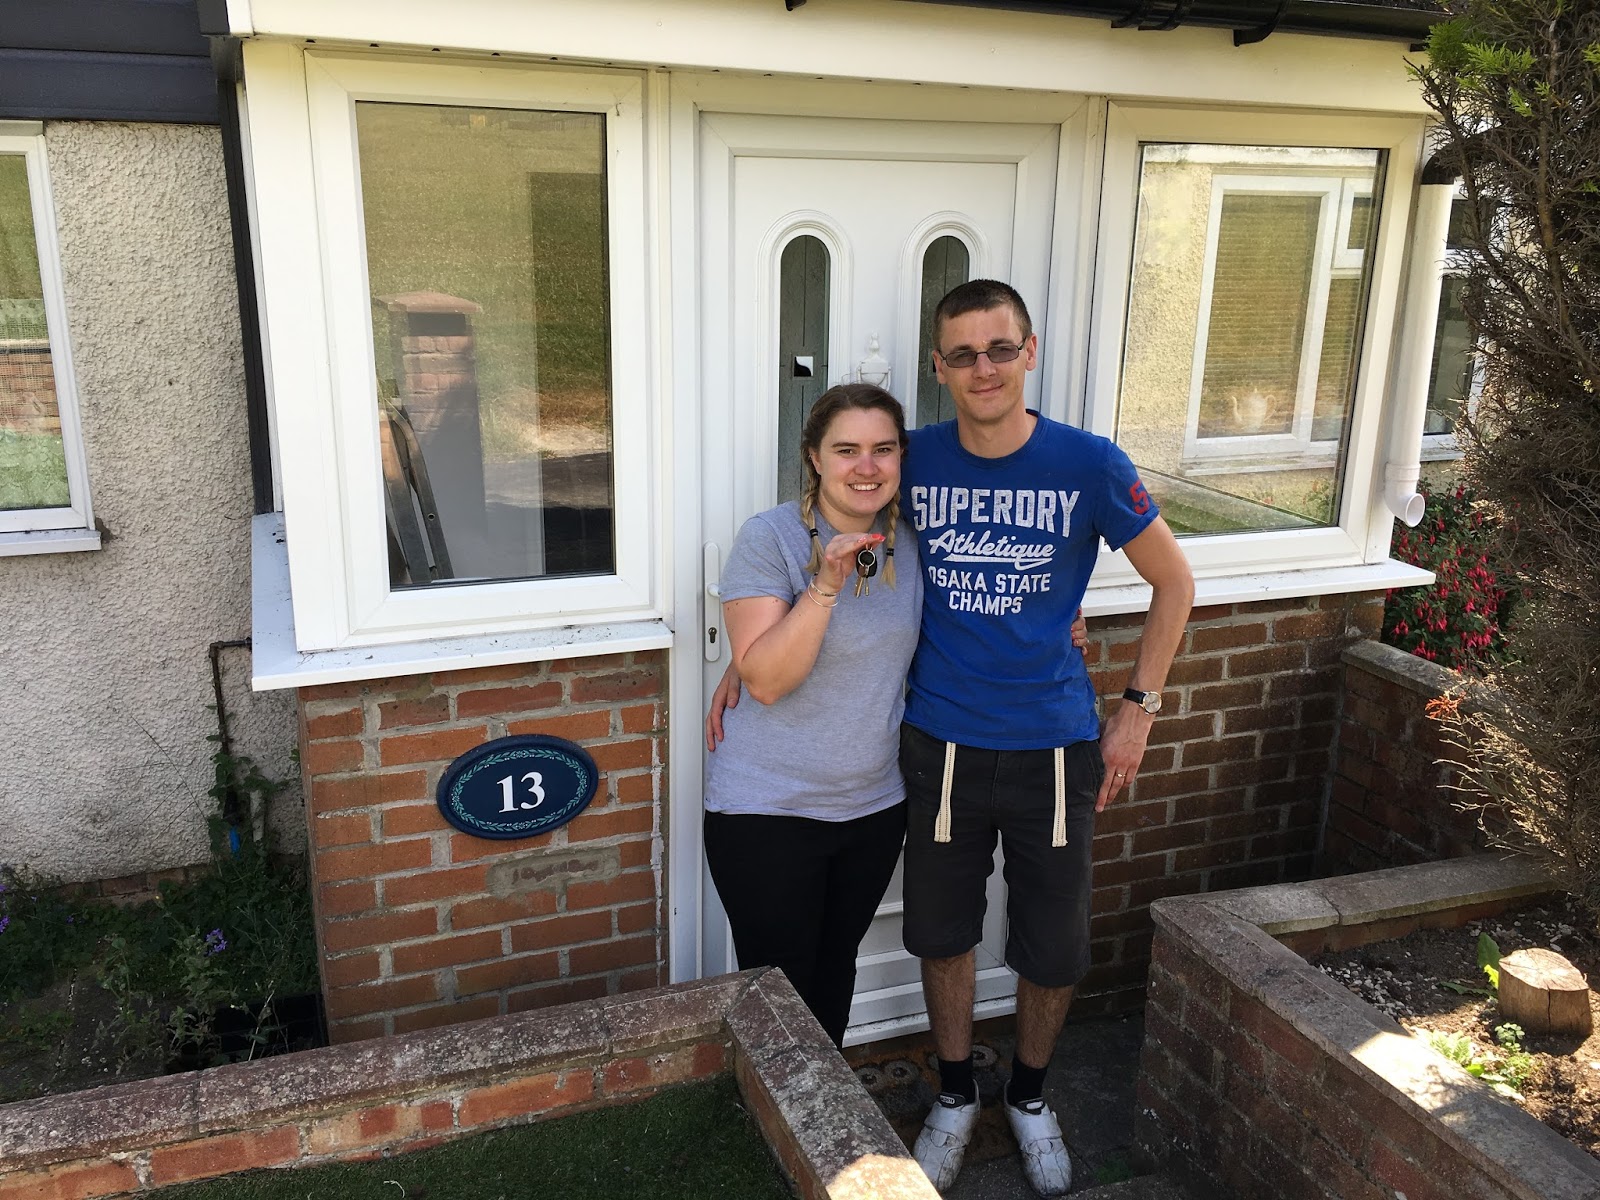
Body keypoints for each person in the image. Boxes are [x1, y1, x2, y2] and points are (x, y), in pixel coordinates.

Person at [899, 279, 1193, 1197]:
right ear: (938, 367)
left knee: (1054, 946)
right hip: (941, 740)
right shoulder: (911, 459)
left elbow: (1175, 582)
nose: (982, 368)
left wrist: (1137, 710)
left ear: (1030, 352)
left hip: (1057, 745)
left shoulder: (1089, 463)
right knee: (942, 933)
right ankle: (956, 1094)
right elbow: (833, 543)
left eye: (1000, 348)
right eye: (962, 354)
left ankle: (1028, 1096)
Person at [700, 382, 920, 1048]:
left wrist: (1063, 619)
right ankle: (770, 1105)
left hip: (872, 807)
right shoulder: (770, 537)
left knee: (833, 972)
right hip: (768, 811)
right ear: (814, 458)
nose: (867, 466)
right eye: (846, 450)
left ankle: (824, 1104)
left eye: (884, 449)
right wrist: (824, 586)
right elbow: (767, 681)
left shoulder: (911, 541)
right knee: (779, 993)